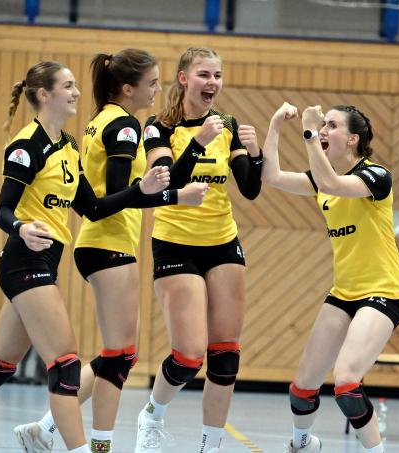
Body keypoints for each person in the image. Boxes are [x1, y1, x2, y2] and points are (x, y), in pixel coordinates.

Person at [0, 61, 170, 453]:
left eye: (74, 86)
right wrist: (21, 227)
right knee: (66, 361)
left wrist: (149, 191)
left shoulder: (68, 146)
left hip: (46, 263)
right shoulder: (27, 146)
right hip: (23, 260)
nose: (76, 93)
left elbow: (95, 207)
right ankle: (75, 449)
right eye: (67, 86)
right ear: (44, 95)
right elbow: (2, 210)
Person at [13, 49, 208, 453]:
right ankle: (98, 446)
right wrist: (176, 196)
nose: (157, 90)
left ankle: (47, 429)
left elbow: (119, 193)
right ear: (127, 88)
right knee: (120, 356)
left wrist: (166, 189)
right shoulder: (123, 125)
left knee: (118, 353)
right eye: (151, 84)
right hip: (109, 243)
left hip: (101, 242)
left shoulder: (101, 120)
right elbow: (121, 195)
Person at [132, 46, 263, 453]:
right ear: (185, 78)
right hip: (175, 242)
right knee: (189, 356)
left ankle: (211, 445)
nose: (213, 84)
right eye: (205, 75)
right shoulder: (158, 126)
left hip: (222, 242)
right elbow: (166, 180)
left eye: (218, 76)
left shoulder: (227, 124)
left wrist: (255, 153)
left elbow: (251, 188)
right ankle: (152, 414)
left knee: (225, 354)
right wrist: (198, 143)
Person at [262, 101, 399, 453]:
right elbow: (271, 177)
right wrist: (274, 126)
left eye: (332, 126)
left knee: (345, 383)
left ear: (353, 139)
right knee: (302, 387)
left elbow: (331, 181)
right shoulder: (323, 179)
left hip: (384, 291)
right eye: (323, 126)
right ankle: (302, 444)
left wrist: (310, 132)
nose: (324, 131)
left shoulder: (376, 176)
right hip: (344, 293)